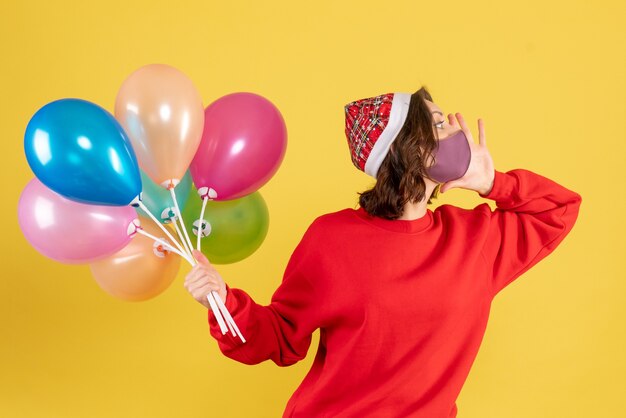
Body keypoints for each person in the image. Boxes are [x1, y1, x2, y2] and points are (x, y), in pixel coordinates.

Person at [184, 87, 582, 418]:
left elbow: (559, 209)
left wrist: (493, 183)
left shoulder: (474, 239)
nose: (457, 130)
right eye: (439, 123)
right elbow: (281, 338)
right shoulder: (331, 239)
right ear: (405, 149)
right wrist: (222, 302)